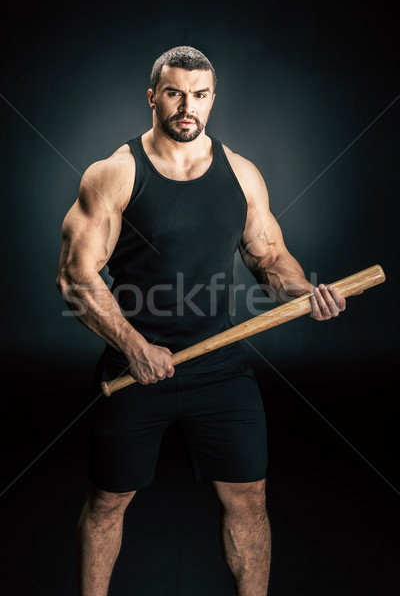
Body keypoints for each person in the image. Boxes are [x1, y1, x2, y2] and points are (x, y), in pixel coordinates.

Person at [56, 45, 346, 596]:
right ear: (152, 97)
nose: (187, 106)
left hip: (220, 367)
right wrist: (135, 345)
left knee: (250, 499)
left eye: (200, 95)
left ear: (213, 100)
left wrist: (304, 291)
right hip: (132, 367)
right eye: (174, 93)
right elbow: (76, 279)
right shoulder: (114, 174)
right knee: (106, 503)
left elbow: (267, 257)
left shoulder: (241, 174)